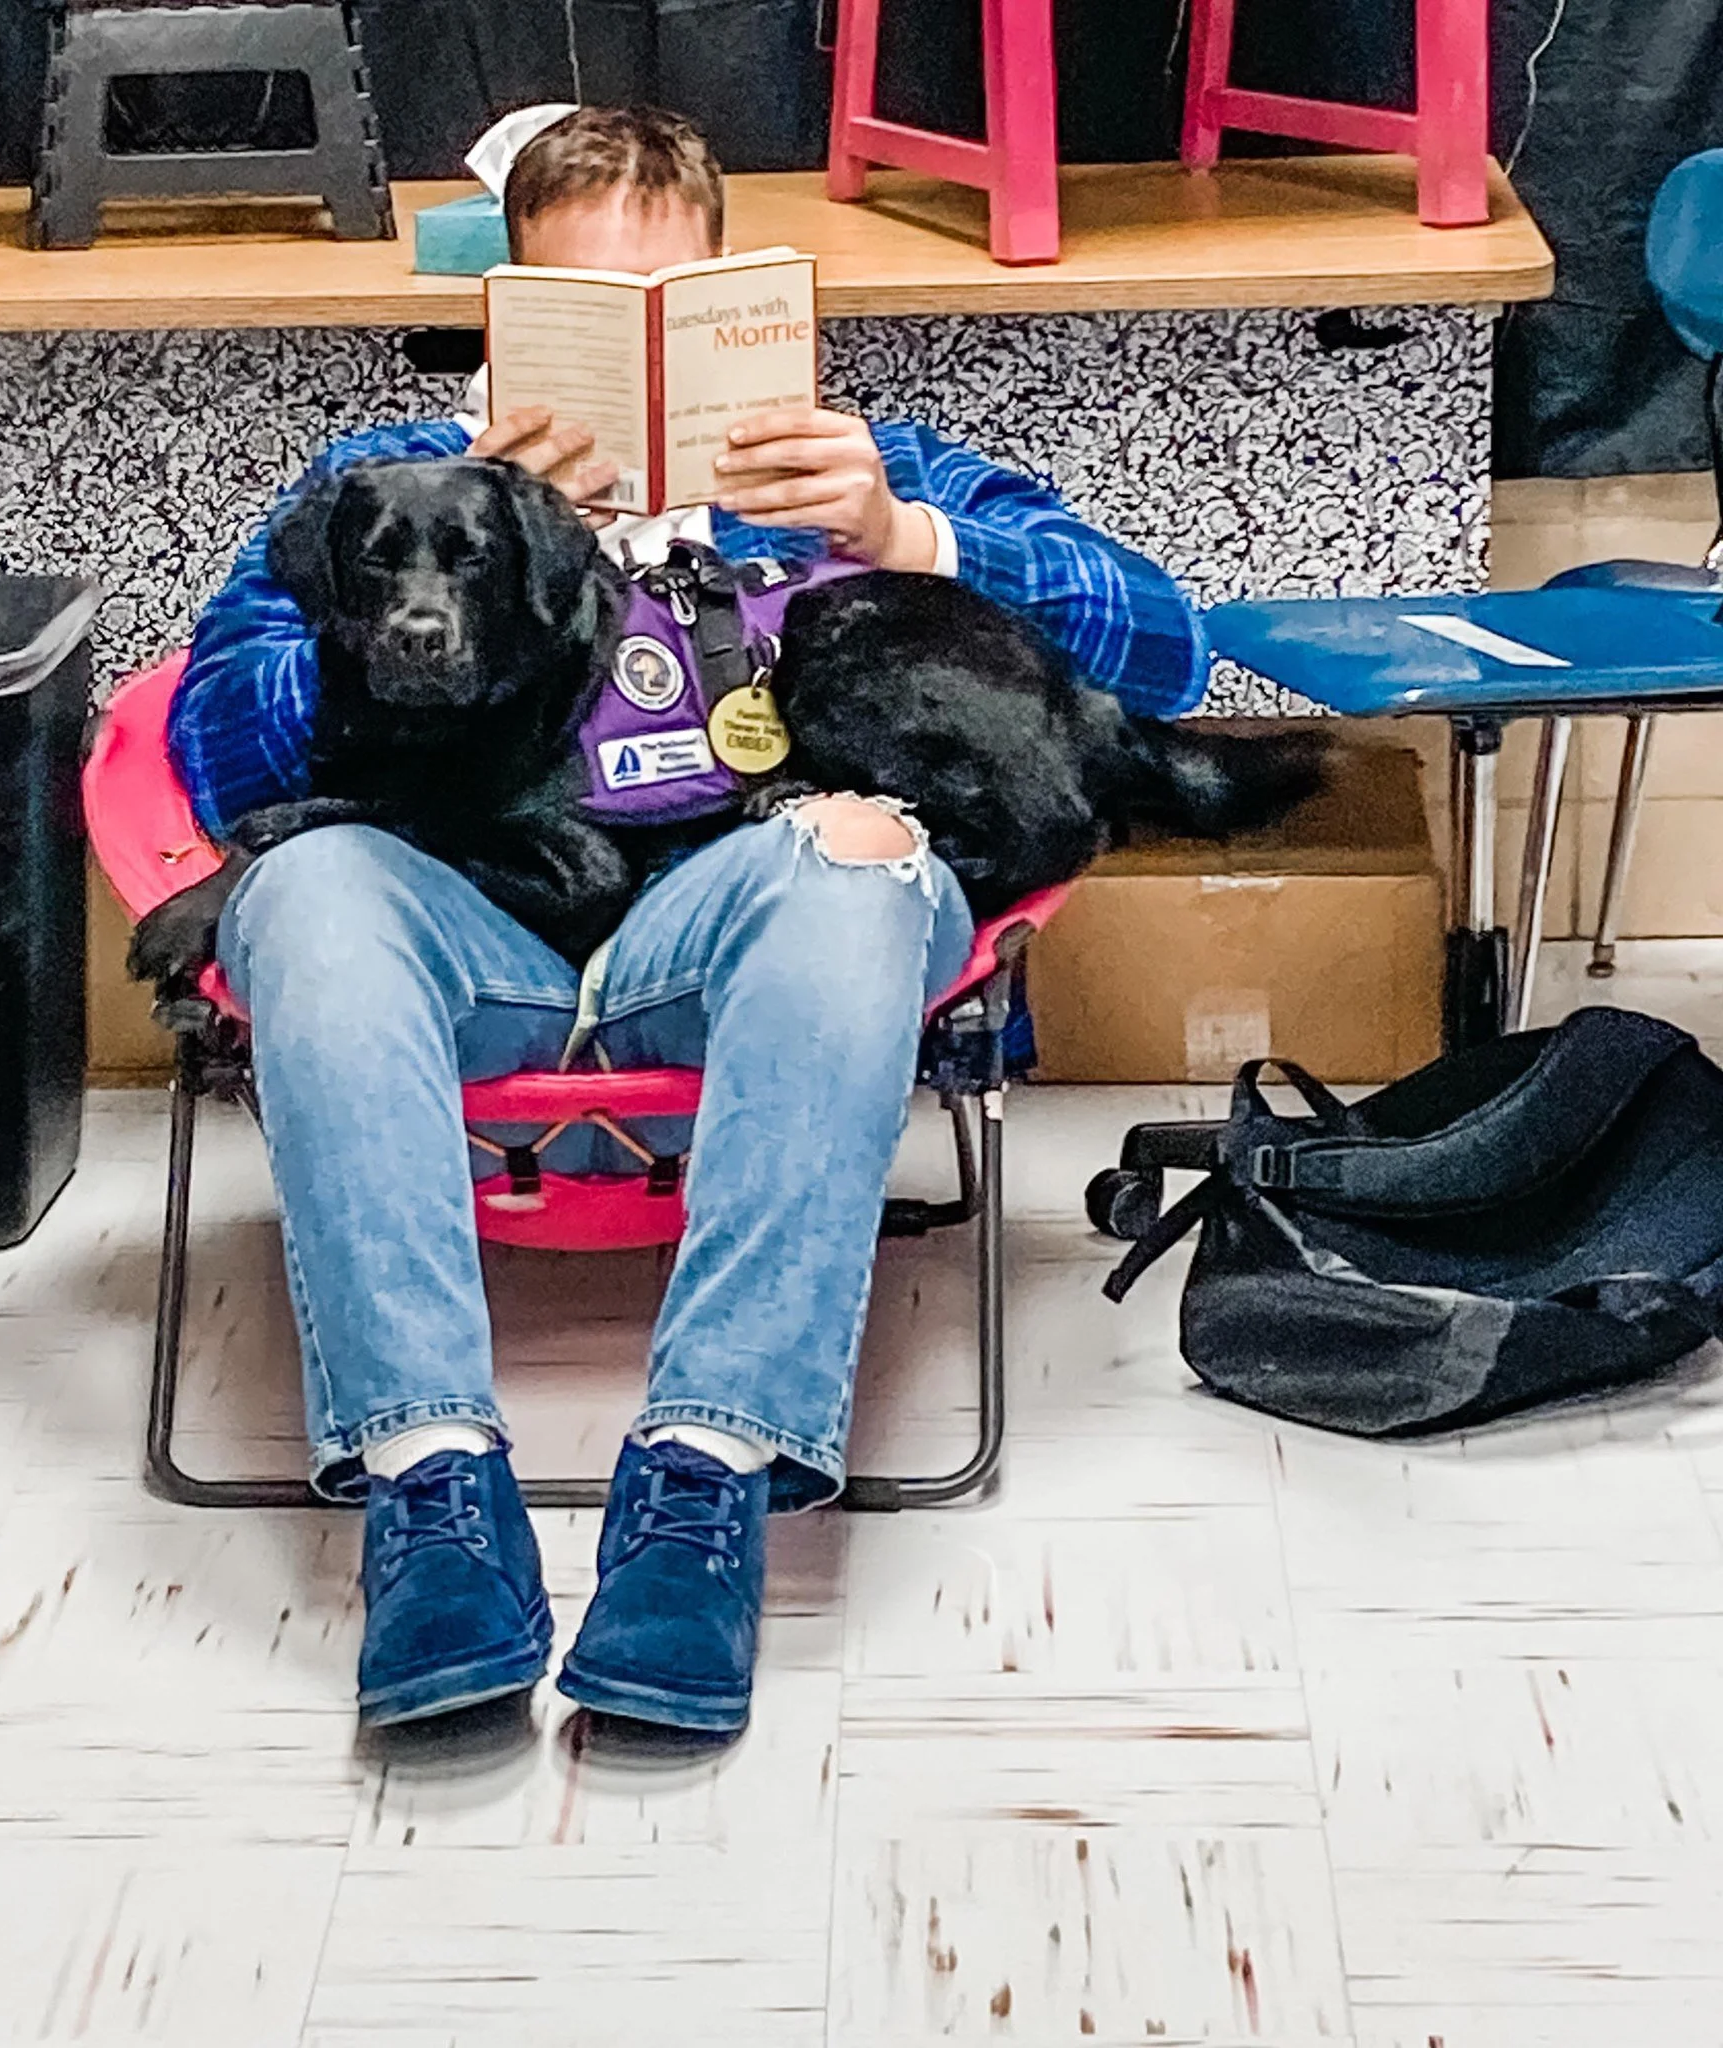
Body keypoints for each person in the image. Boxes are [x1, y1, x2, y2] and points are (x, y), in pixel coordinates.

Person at [171, 104, 1207, 1736]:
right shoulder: (391, 492)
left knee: (862, 862)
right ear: (508, 307)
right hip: (476, 941)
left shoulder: (852, 465)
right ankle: (429, 1483)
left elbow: (1164, 655)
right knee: (300, 881)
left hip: (733, 959)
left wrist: (904, 535)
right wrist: (451, 586)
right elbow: (213, 739)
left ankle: (708, 1477)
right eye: (583, 310)